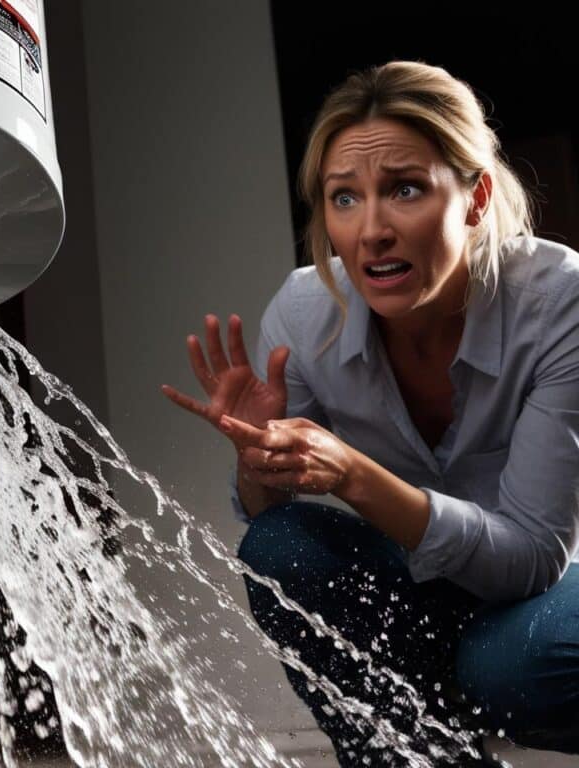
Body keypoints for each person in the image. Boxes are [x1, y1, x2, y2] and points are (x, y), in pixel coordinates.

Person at [162, 61, 579, 766]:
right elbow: (269, 511)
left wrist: (354, 475)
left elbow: (533, 558)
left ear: (475, 198)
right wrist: (260, 458)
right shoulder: (302, 311)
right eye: (344, 198)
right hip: (425, 588)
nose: (372, 230)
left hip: (552, 587)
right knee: (280, 545)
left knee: (506, 669)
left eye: (405, 189)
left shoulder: (557, 301)